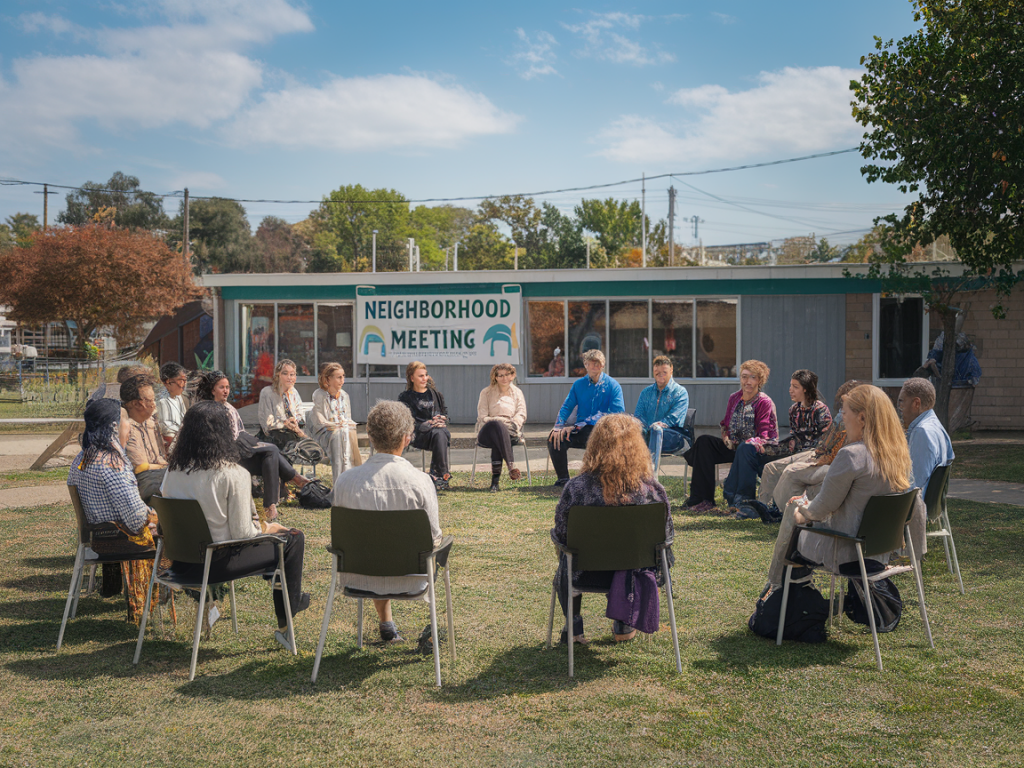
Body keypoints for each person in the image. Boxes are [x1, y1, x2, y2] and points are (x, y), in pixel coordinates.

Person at [160, 401, 310, 651]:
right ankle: (287, 619)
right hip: (217, 565)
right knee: (293, 538)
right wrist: (269, 529)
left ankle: (285, 593)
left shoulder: (172, 471)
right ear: (225, 433)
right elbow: (244, 534)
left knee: (280, 543)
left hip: (178, 565)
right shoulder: (233, 473)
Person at [764, 384, 927, 590]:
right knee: (799, 509)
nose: (841, 418)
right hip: (879, 552)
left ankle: (776, 586)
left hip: (845, 550)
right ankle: (787, 586)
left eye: (845, 412)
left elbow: (820, 510)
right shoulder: (897, 455)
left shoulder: (851, 455)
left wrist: (801, 508)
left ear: (862, 418)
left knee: (793, 509)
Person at [552, 413, 673, 644]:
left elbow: (562, 534)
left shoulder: (576, 488)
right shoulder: (653, 490)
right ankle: (624, 623)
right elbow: (665, 537)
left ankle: (574, 627)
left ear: (594, 445)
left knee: (566, 555)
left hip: (586, 573)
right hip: (637, 571)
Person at [332, 400, 442, 647]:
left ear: (370, 437)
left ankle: (387, 624)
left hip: (357, 577)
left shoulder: (344, 481)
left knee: (375, 542)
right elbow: (434, 537)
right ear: (407, 438)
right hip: (412, 579)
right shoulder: (421, 482)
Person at [67, 398, 158, 623]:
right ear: (114, 427)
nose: (131, 427)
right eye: (127, 421)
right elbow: (136, 520)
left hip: (98, 539)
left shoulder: (81, 458)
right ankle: (188, 590)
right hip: (122, 541)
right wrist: (155, 515)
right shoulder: (113, 463)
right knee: (175, 530)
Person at [195, 370, 309, 522]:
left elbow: (241, 432)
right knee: (272, 449)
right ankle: (294, 478)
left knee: (270, 456)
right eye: (221, 387)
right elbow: (225, 440)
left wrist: (254, 444)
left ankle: (270, 506)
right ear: (212, 390)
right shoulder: (208, 410)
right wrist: (252, 446)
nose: (226, 391)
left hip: (241, 452)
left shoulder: (230, 407)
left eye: (227, 387)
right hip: (225, 456)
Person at [749, 379, 862, 522]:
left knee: (791, 472)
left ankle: (780, 511)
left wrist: (819, 455)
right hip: (817, 452)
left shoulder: (841, 418)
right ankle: (766, 508)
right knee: (770, 467)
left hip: (824, 457)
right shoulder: (796, 410)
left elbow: (832, 447)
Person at [730, 369, 831, 518]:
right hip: (797, 452)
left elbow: (825, 440)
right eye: (790, 385)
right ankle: (763, 507)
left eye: (795, 387)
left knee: (779, 468)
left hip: (814, 455)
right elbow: (794, 440)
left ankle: (771, 508)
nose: (790, 390)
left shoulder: (820, 409)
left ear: (805, 389)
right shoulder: (794, 410)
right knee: (768, 466)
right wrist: (766, 449)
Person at [682, 360, 778, 513]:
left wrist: (745, 444)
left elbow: (765, 436)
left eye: (752, 377)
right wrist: (726, 437)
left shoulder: (764, 402)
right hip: (733, 446)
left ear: (760, 380)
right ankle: (702, 499)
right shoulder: (734, 398)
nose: (747, 381)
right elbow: (725, 424)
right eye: (744, 377)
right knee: (704, 442)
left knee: (744, 447)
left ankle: (743, 502)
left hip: (754, 451)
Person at [548, 349, 625, 488]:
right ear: (585, 364)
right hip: (582, 431)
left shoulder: (613, 385)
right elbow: (567, 406)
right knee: (554, 438)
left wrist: (581, 424)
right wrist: (558, 426)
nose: (595, 366)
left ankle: (601, 480)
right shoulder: (578, 385)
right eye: (591, 363)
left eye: (598, 363)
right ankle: (563, 480)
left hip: (604, 432)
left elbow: (617, 413)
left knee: (590, 430)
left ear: (603, 365)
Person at [398, 361, 452, 490]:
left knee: (440, 432)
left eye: (426, 375)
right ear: (412, 378)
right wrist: (429, 424)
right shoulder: (405, 397)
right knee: (441, 434)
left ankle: (438, 475)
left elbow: (445, 415)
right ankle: (440, 474)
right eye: (420, 376)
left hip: (437, 435)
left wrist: (442, 419)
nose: (424, 378)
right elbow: (406, 421)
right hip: (418, 435)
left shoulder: (436, 395)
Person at [897, 377, 954, 496]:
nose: (900, 407)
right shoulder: (936, 426)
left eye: (902, 401)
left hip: (917, 506)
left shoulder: (922, 431)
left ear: (916, 403)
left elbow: (914, 486)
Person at [475, 363, 527, 492]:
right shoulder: (486, 392)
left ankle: (495, 482)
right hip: (487, 430)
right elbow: (482, 416)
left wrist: (514, 424)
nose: (504, 378)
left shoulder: (517, 393)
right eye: (500, 375)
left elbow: (521, 413)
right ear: (495, 377)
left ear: (512, 375)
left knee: (499, 436)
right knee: (497, 426)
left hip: (509, 430)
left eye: (507, 375)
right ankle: (511, 466)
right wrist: (499, 420)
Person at [121, 374, 168, 504]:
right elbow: (140, 468)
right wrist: (165, 466)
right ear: (136, 404)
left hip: (159, 477)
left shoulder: (151, 422)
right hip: (142, 486)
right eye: (150, 400)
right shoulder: (127, 428)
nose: (154, 404)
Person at [634, 355, 690, 464]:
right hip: (647, 434)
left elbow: (673, 419)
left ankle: (650, 472)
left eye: (664, 372)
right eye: (657, 373)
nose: (661, 375)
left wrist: (654, 427)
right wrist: (643, 428)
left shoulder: (680, 393)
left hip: (671, 436)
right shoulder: (646, 393)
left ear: (671, 370)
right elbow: (639, 416)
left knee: (655, 433)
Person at [306, 362, 356, 482]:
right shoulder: (319, 394)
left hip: (342, 433)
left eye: (343, 376)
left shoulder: (344, 395)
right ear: (328, 379)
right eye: (339, 377)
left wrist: (348, 424)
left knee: (346, 433)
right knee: (339, 435)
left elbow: (348, 417)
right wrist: (337, 425)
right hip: (323, 434)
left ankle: (348, 478)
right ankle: (339, 481)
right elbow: (321, 422)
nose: (342, 380)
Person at [258, 359, 307, 449]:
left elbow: (300, 415)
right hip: (275, 435)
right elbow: (268, 424)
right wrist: (285, 423)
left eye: (292, 374)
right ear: (278, 375)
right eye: (285, 374)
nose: (289, 378)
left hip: (294, 431)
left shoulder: (294, 392)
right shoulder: (267, 392)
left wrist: (295, 421)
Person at [155, 362, 188, 447]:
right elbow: (168, 433)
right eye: (181, 380)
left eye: (185, 380)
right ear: (168, 382)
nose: (184, 384)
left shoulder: (180, 398)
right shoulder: (162, 402)